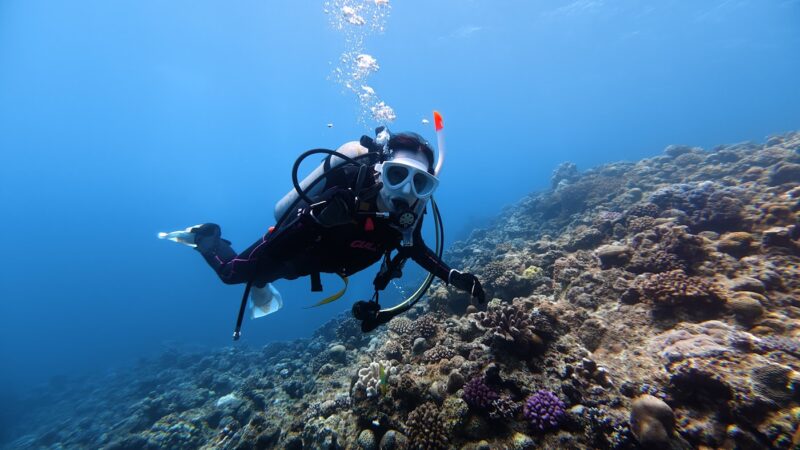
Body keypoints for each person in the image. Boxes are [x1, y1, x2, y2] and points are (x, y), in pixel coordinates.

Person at [161, 127, 485, 336]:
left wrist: (453, 276)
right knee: (233, 275)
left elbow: (414, 247)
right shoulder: (347, 189)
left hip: (316, 265)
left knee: (267, 276)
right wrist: (317, 220)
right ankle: (206, 237)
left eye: (420, 183)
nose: (406, 191)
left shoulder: (412, 212)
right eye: (397, 175)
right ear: (380, 170)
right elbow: (282, 242)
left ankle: (261, 280)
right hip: (298, 252)